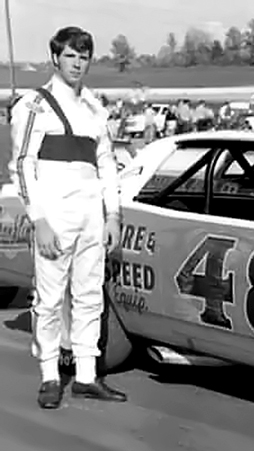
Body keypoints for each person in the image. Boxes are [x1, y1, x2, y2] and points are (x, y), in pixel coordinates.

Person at [9, 26, 126, 409]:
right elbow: (22, 166)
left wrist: (113, 216)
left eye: (84, 56)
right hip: (55, 214)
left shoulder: (95, 108)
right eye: (72, 56)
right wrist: (38, 219)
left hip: (92, 211)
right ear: (55, 57)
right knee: (49, 297)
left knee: (90, 294)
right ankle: (49, 375)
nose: (78, 63)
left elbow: (107, 163)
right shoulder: (33, 105)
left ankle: (87, 376)